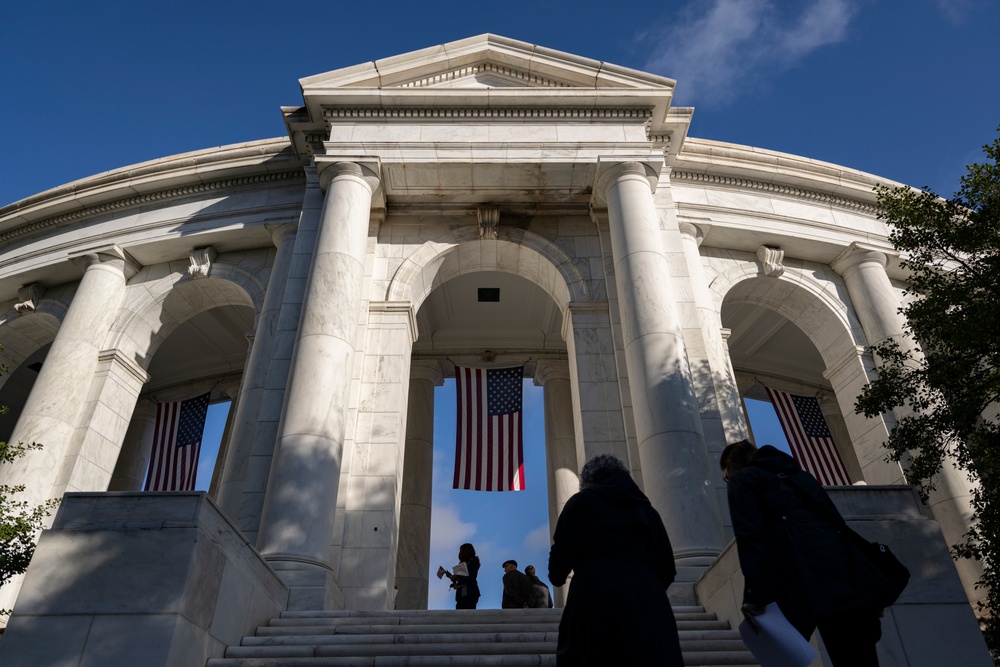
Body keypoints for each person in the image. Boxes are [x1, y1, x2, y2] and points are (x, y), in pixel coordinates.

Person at [721, 439, 886, 666]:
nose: (727, 479)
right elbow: (837, 524)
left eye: (726, 475)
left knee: (782, 657)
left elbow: (751, 537)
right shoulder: (802, 477)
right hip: (845, 577)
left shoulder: (743, 480)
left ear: (731, 463)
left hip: (797, 580)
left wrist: (754, 594)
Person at [548, 454, 683, 667]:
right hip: (647, 606)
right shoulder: (648, 512)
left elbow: (557, 570)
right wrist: (643, 586)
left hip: (592, 605)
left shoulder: (579, 504)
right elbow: (667, 567)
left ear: (588, 482)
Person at [439, 543, 481, 610]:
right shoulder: (465, 564)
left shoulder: (473, 561)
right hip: (462, 595)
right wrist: (451, 576)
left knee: (466, 616)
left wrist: (457, 580)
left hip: (469, 594)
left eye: (461, 551)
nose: (460, 553)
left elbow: (470, 578)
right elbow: (462, 579)